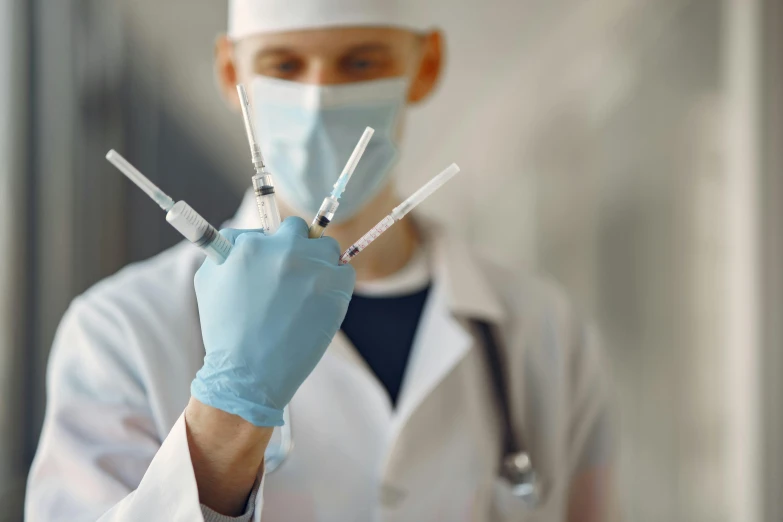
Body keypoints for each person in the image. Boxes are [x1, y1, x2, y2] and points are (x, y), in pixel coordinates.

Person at [26, 1, 616, 521]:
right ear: (232, 72)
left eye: (361, 63)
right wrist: (228, 408)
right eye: (284, 65)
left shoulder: (544, 330)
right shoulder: (120, 330)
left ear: (426, 64)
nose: (319, 97)